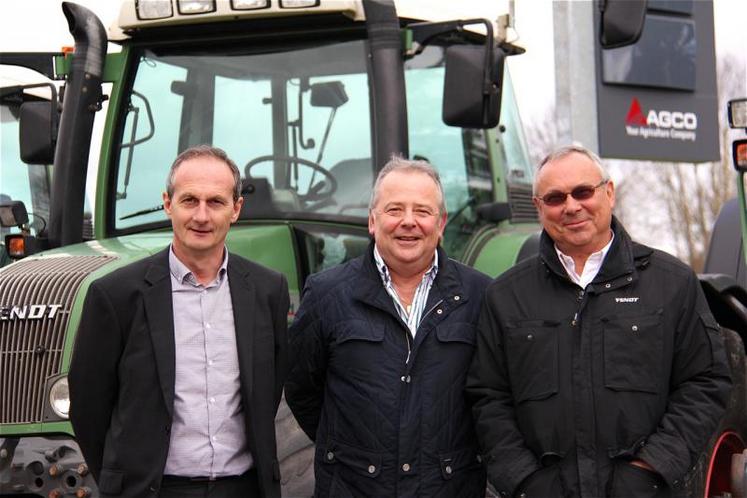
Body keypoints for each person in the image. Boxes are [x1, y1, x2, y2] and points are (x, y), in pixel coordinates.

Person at [466, 144, 732, 498]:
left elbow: (705, 381)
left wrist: (652, 469)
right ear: (539, 208)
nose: (572, 206)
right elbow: (488, 397)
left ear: (609, 192)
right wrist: (525, 480)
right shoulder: (505, 296)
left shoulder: (672, 283)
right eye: (556, 198)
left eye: (583, 192)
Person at [69, 145, 289, 498]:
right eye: (189, 201)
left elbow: (270, 389)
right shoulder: (115, 296)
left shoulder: (268, 290)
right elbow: (88, 408)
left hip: (243, 488)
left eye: (215, 202)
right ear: (168, 204)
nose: (201, 216)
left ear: (236, 209)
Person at [285, 157, 490, 497]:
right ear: (372, 221)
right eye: (394, 210)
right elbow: (301, 389)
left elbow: (491, 397)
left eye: (422, 212)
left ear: (441, 224)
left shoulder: (480, 295)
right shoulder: (326, 294)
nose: (408, 222)